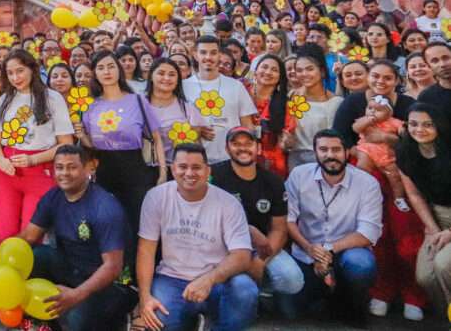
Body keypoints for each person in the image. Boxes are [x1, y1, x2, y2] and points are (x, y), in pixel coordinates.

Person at [136, 143, 258, 331]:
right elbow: (146, 250)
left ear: (207, 170)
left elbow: (242, 255)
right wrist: (145, 297)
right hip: (172, 278)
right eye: (183, 167)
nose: (189, 173)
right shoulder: (156, 197)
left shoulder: (228, 203)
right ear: (172, 168)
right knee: (161, 321)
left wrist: (209, 279)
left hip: (218, 279)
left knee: (245, 290)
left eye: (196, 167)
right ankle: (191, 321)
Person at [16, 144, 136, 330]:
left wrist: (76, 295)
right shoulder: (53, 196)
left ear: (87, 169)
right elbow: (28, 237)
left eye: (72, 167)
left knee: (74, 320)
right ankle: (43, 321)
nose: (65, 173)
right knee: (34, 256)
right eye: (59, 167)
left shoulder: (104, 207)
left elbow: (112, 267)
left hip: (111, 283)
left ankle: (117, 320)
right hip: (72, 269)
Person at [284, 129, 382, 326]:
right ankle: (328, 297)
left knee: (361, 265)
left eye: (336, 150)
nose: (330, 155)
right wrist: (309, 249)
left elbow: (368, 233)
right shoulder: (299, 175)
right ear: (315, 152)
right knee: (291, 311)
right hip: (307, 252)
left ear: (347, 152)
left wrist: (328, 250)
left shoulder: (367, 183)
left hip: (346, 252)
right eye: (323, 149)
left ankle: (351, 303)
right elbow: (289, 220)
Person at [211, 126, 305, 304]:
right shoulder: (214, 177)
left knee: (292, 280)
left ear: (259, 148)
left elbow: (279, 230)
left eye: (248, 143)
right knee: (239, 282)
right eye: (236, 144)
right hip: (224, 246)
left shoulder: (273, 181)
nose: (243, 148)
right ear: (226, 149)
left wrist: (260, 261)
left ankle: (261, 291)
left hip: (261, 247)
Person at [0, 49, 75, 243]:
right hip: (6, 172)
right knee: (5, 235)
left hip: (40, 172)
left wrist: (33, 159)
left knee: (31, 236)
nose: (15, 77)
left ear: (32, 69)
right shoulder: (5, 99)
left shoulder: (53, 98)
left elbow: (65, 144)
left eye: (20, 71)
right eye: (10, 73)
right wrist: (1, 160)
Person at [79, 50, 165, 241]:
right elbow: (91, 145)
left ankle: (137, 269)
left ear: (118, 69)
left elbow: (156, 138)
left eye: (110, 66)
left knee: (139, 225)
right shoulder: (91, 106)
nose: (106, 71)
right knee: (108, 225)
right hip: (104, 170)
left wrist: (163, 173)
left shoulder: (137, 100)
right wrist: (81, 135)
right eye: (100, 68)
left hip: (135, 170)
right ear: (95, 74)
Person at [395, 103, 451, 319]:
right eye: (414, 124)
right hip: (436, 217)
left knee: (444, 265)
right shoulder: (405, 151)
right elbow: (415, 195)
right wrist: (434, 229)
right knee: (425, 277)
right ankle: (444, 316)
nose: (420, 129)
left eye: (428, 124)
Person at [183, 35, 258, 163]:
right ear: (195, 55)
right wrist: (196, 130)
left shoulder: (236, 86)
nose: (208, 57)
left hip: (232, 158)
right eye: (203, 52)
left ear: (219, 55)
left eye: (213, 53)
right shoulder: (183, 86)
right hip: (197, 160)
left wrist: (249, 158)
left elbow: (247, 125)